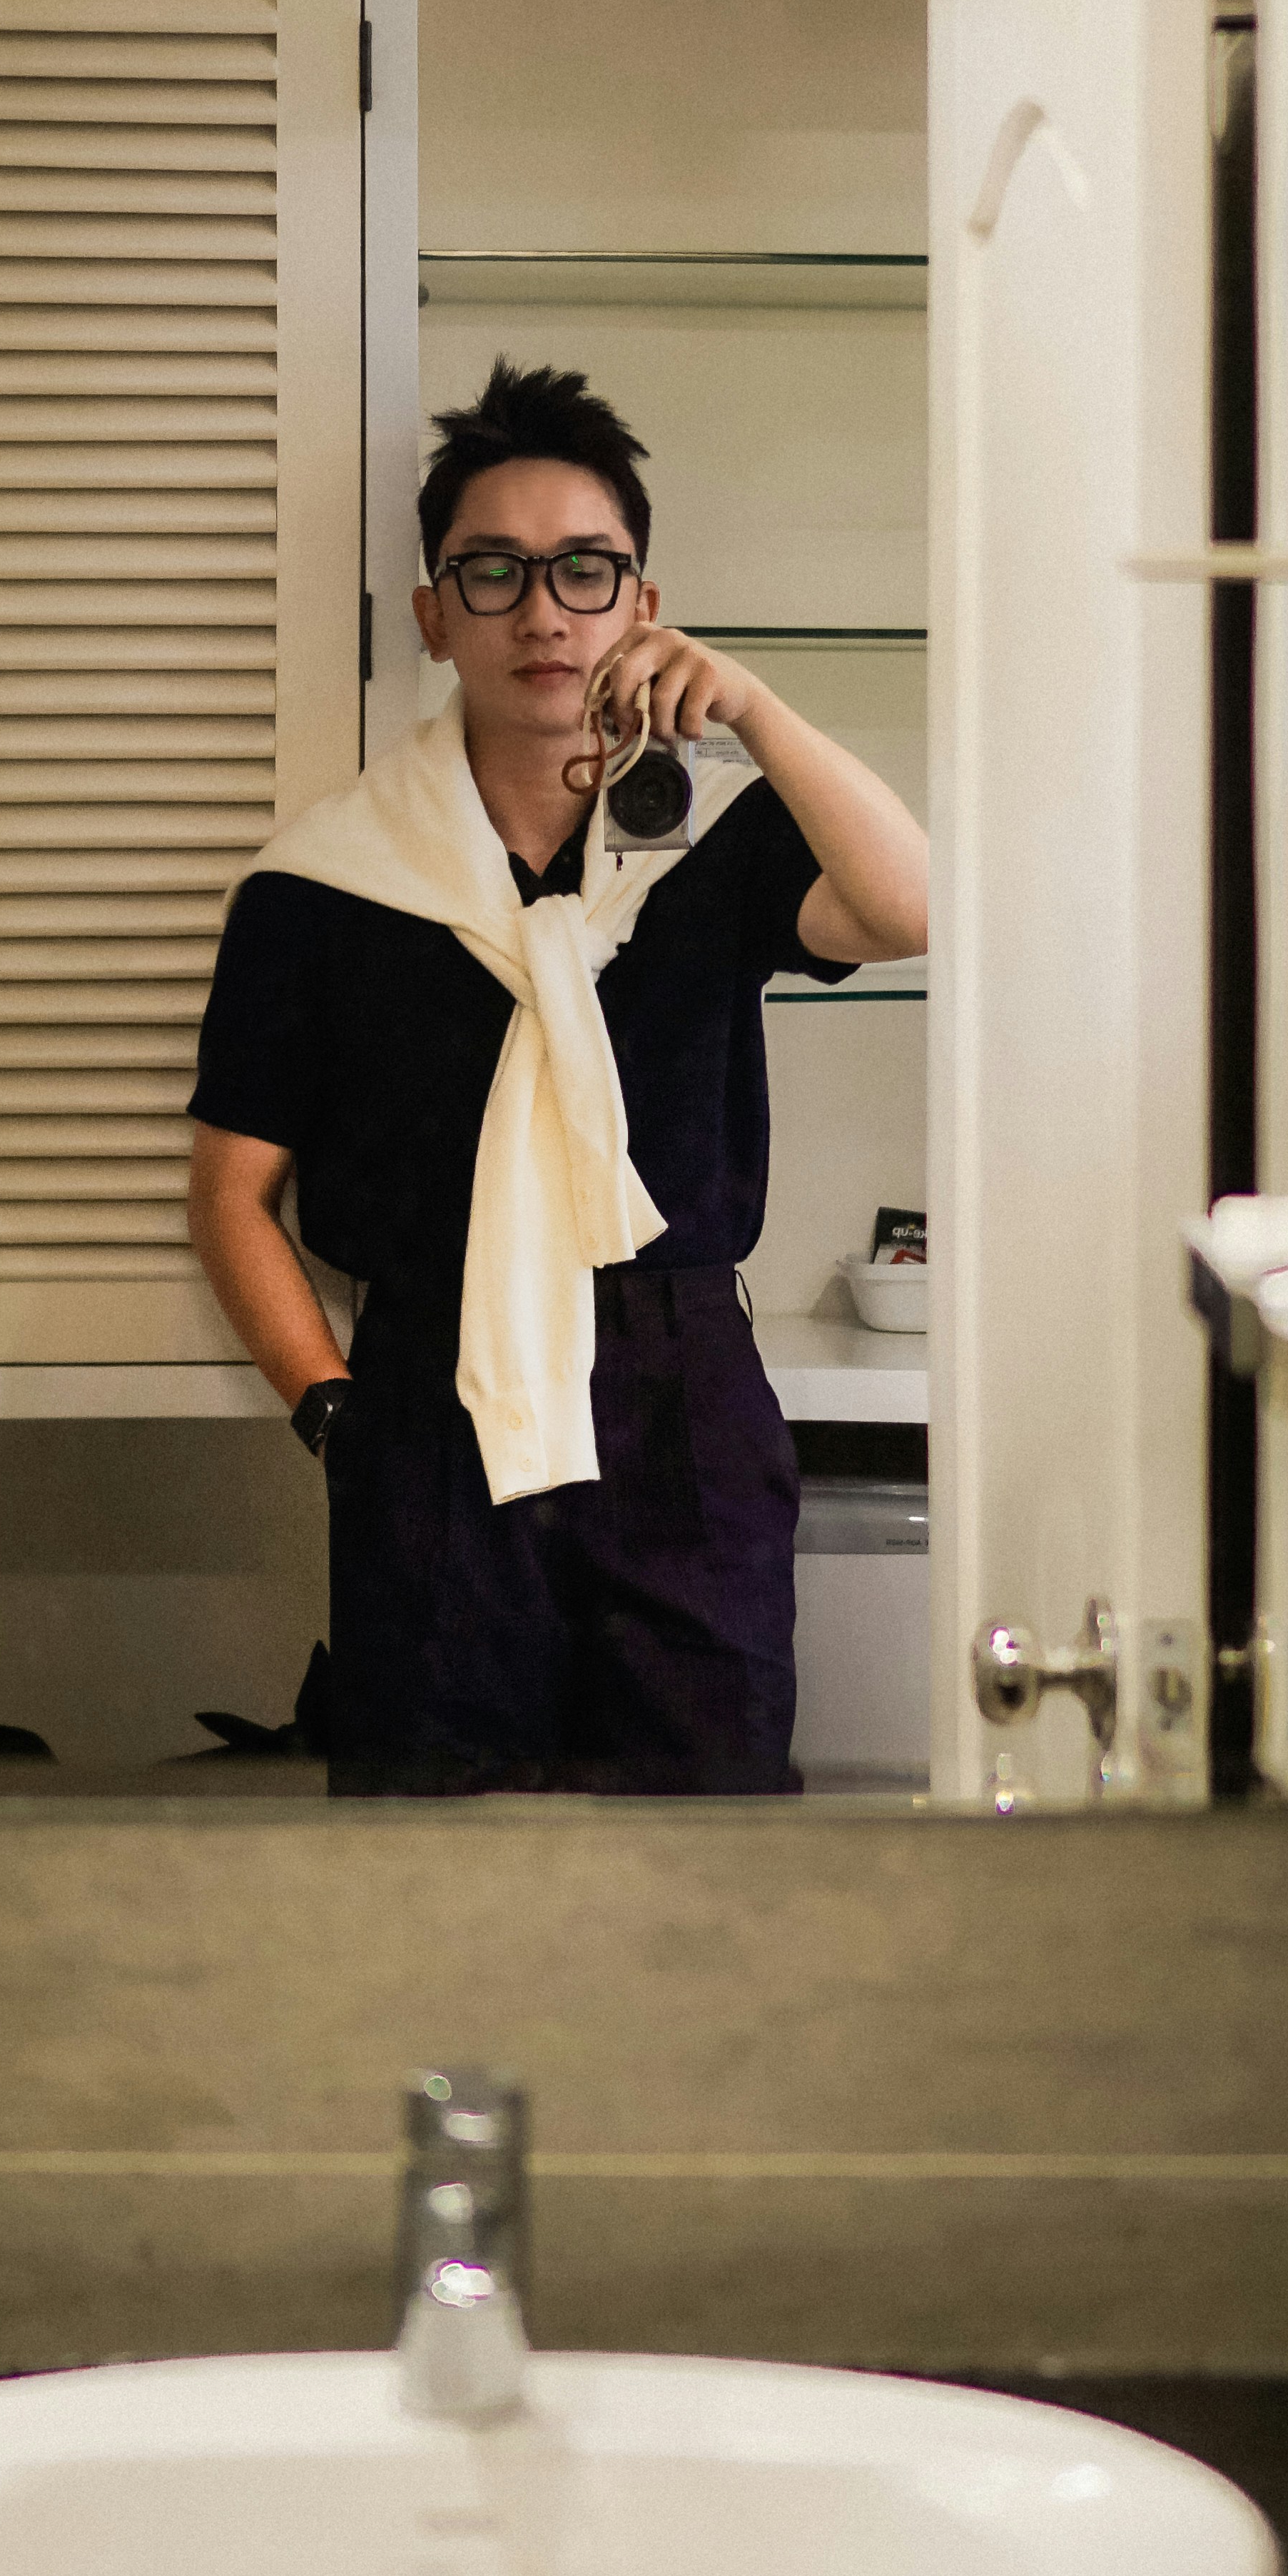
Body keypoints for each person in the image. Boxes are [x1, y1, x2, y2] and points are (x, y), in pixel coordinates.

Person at [183, 358, 929, 1789]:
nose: (541, 612)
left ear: (641, 606)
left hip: (680, 1388)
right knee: (432, 1852)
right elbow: (231, 1195)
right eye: (493, 573)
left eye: (586, 572)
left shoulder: (713, 840)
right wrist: (338, 1414)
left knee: (705, 1837)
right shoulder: (324, 885)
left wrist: (759, 712)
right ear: (430, 614)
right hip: (425, 1394)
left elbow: (909, 910)